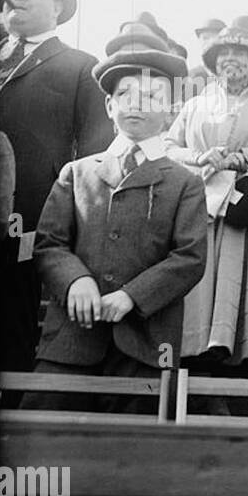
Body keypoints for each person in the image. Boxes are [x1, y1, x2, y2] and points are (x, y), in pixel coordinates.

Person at [21, 35, 207, 411]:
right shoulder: (77, 173)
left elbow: (189, 257)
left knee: (131, 454)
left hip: (145, 347)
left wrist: (131, 296)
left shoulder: (184, 181)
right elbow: (49, 243)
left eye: (153, 96)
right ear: (109, 105)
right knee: (42, 435)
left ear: (171, 112)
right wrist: (75, 280)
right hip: (70, 343)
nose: (137, 104)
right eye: (126, 94)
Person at [0, 0, 113, 377]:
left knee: (14, 316)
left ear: (58, 7)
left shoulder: (80, 66)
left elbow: (97, 151)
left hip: (30, 217)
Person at [166, 22, 248, 375]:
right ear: (214, 63)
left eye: (240, 55)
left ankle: (238, 354)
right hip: (198, 200)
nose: (231, 61)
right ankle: (193, 349)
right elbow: (170, 147)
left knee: (240, 275)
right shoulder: (194, 103)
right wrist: (200, 157)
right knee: (198, 276)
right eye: (225, 55)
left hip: (244, 206)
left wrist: (243, 156)